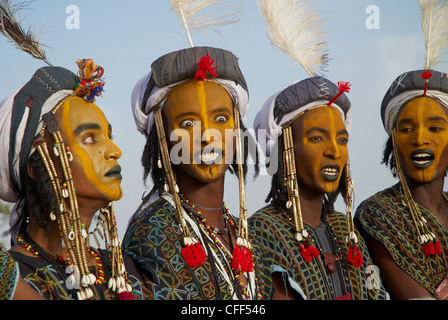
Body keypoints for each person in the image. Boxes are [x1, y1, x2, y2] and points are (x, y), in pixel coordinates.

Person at [123, 46, 271, 300]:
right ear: (162, 138)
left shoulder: (244, 232)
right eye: (188, 123)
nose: (207, 136)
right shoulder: (150, 234)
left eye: (221, 119)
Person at [0, 60, 152, 300]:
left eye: (109, 136)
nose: (115, 151)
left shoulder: (129, 270)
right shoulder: (11, 277)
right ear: (34, 167)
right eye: (90, 138)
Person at [249, 76, 389, 300]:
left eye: (342, 140)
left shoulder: (347, 228)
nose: (334, 151)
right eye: (316, 138)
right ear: (285, 150)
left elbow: (375, 292)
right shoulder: (262, 230)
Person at [355, 69, 448, 299]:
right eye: (407, 129)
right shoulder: (378, 214)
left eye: (435, 128)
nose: (420, 139)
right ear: (394, 142)